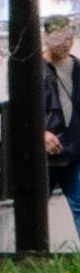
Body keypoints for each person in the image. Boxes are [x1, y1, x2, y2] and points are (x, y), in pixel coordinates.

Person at [42, 19, 80, 250]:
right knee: (36, 209)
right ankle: (34, 256)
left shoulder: (77, 67)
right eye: (58, 38)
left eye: (69, 37)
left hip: (75, 149)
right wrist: (40, 134)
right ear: (46, 38)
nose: (65, 44)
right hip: (43, 154)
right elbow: (21, 109)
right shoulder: (33, 68)